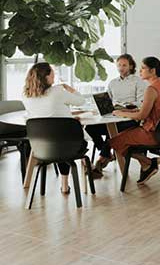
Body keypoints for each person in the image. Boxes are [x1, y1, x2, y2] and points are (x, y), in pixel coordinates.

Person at [22, 62, 87, 195]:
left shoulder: (26, 96)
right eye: (52, 73)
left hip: (41, 146)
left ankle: (64, 185)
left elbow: (42, 115)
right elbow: (81, 101)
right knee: (63, 141)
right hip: (70, 145)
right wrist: (71, 90)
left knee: (56, 139)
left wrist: (67, 119)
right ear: (45, 77)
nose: (54, 76)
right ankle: (64, 184)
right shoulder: (58, 92)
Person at [109, 57, 160, 185]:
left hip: (152, 134)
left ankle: (150, 163)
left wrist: (120, 112)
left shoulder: (151, 90)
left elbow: (141, 116)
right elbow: (147, 110)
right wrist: (130, 112)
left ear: (153, 70)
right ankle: (146, 165)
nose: (140, 71)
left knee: (114, 142)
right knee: (122, 137)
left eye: (143, 68)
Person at [86, 54, 146, 177]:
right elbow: (108, 101)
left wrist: (124, 106)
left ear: (131, 66)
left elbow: (141, 103)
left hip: (130, 119)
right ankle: (106, 154)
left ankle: (102, 159)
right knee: (89, 128)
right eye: (119, 65)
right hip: (114, 116)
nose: (121, 68)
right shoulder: (113, 83)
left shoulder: (138, 81)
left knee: (111, 131)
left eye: (124, 65)